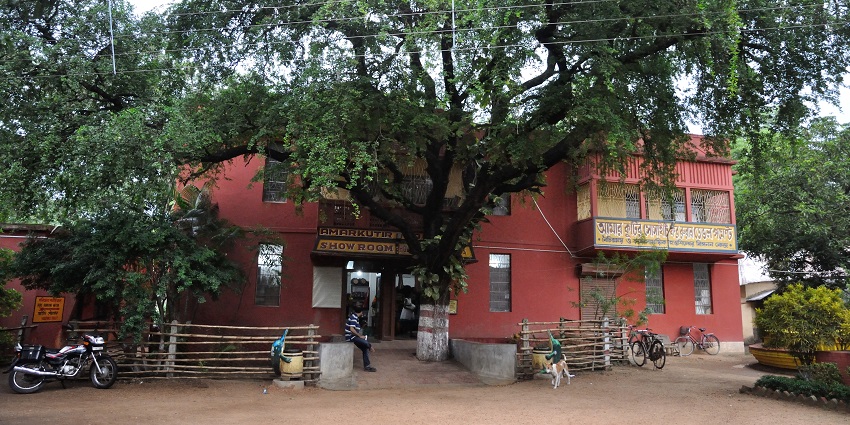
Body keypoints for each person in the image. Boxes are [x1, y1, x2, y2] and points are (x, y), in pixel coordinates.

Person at [345, 306, 376, 372]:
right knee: (366, 343)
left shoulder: (355, 317)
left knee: (365, 348)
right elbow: (351, 329)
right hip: (351, 337)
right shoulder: (354, 318)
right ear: (361, 312)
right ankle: (370, 346)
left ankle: (367, 366)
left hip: (354, 337)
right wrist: (360, 336)